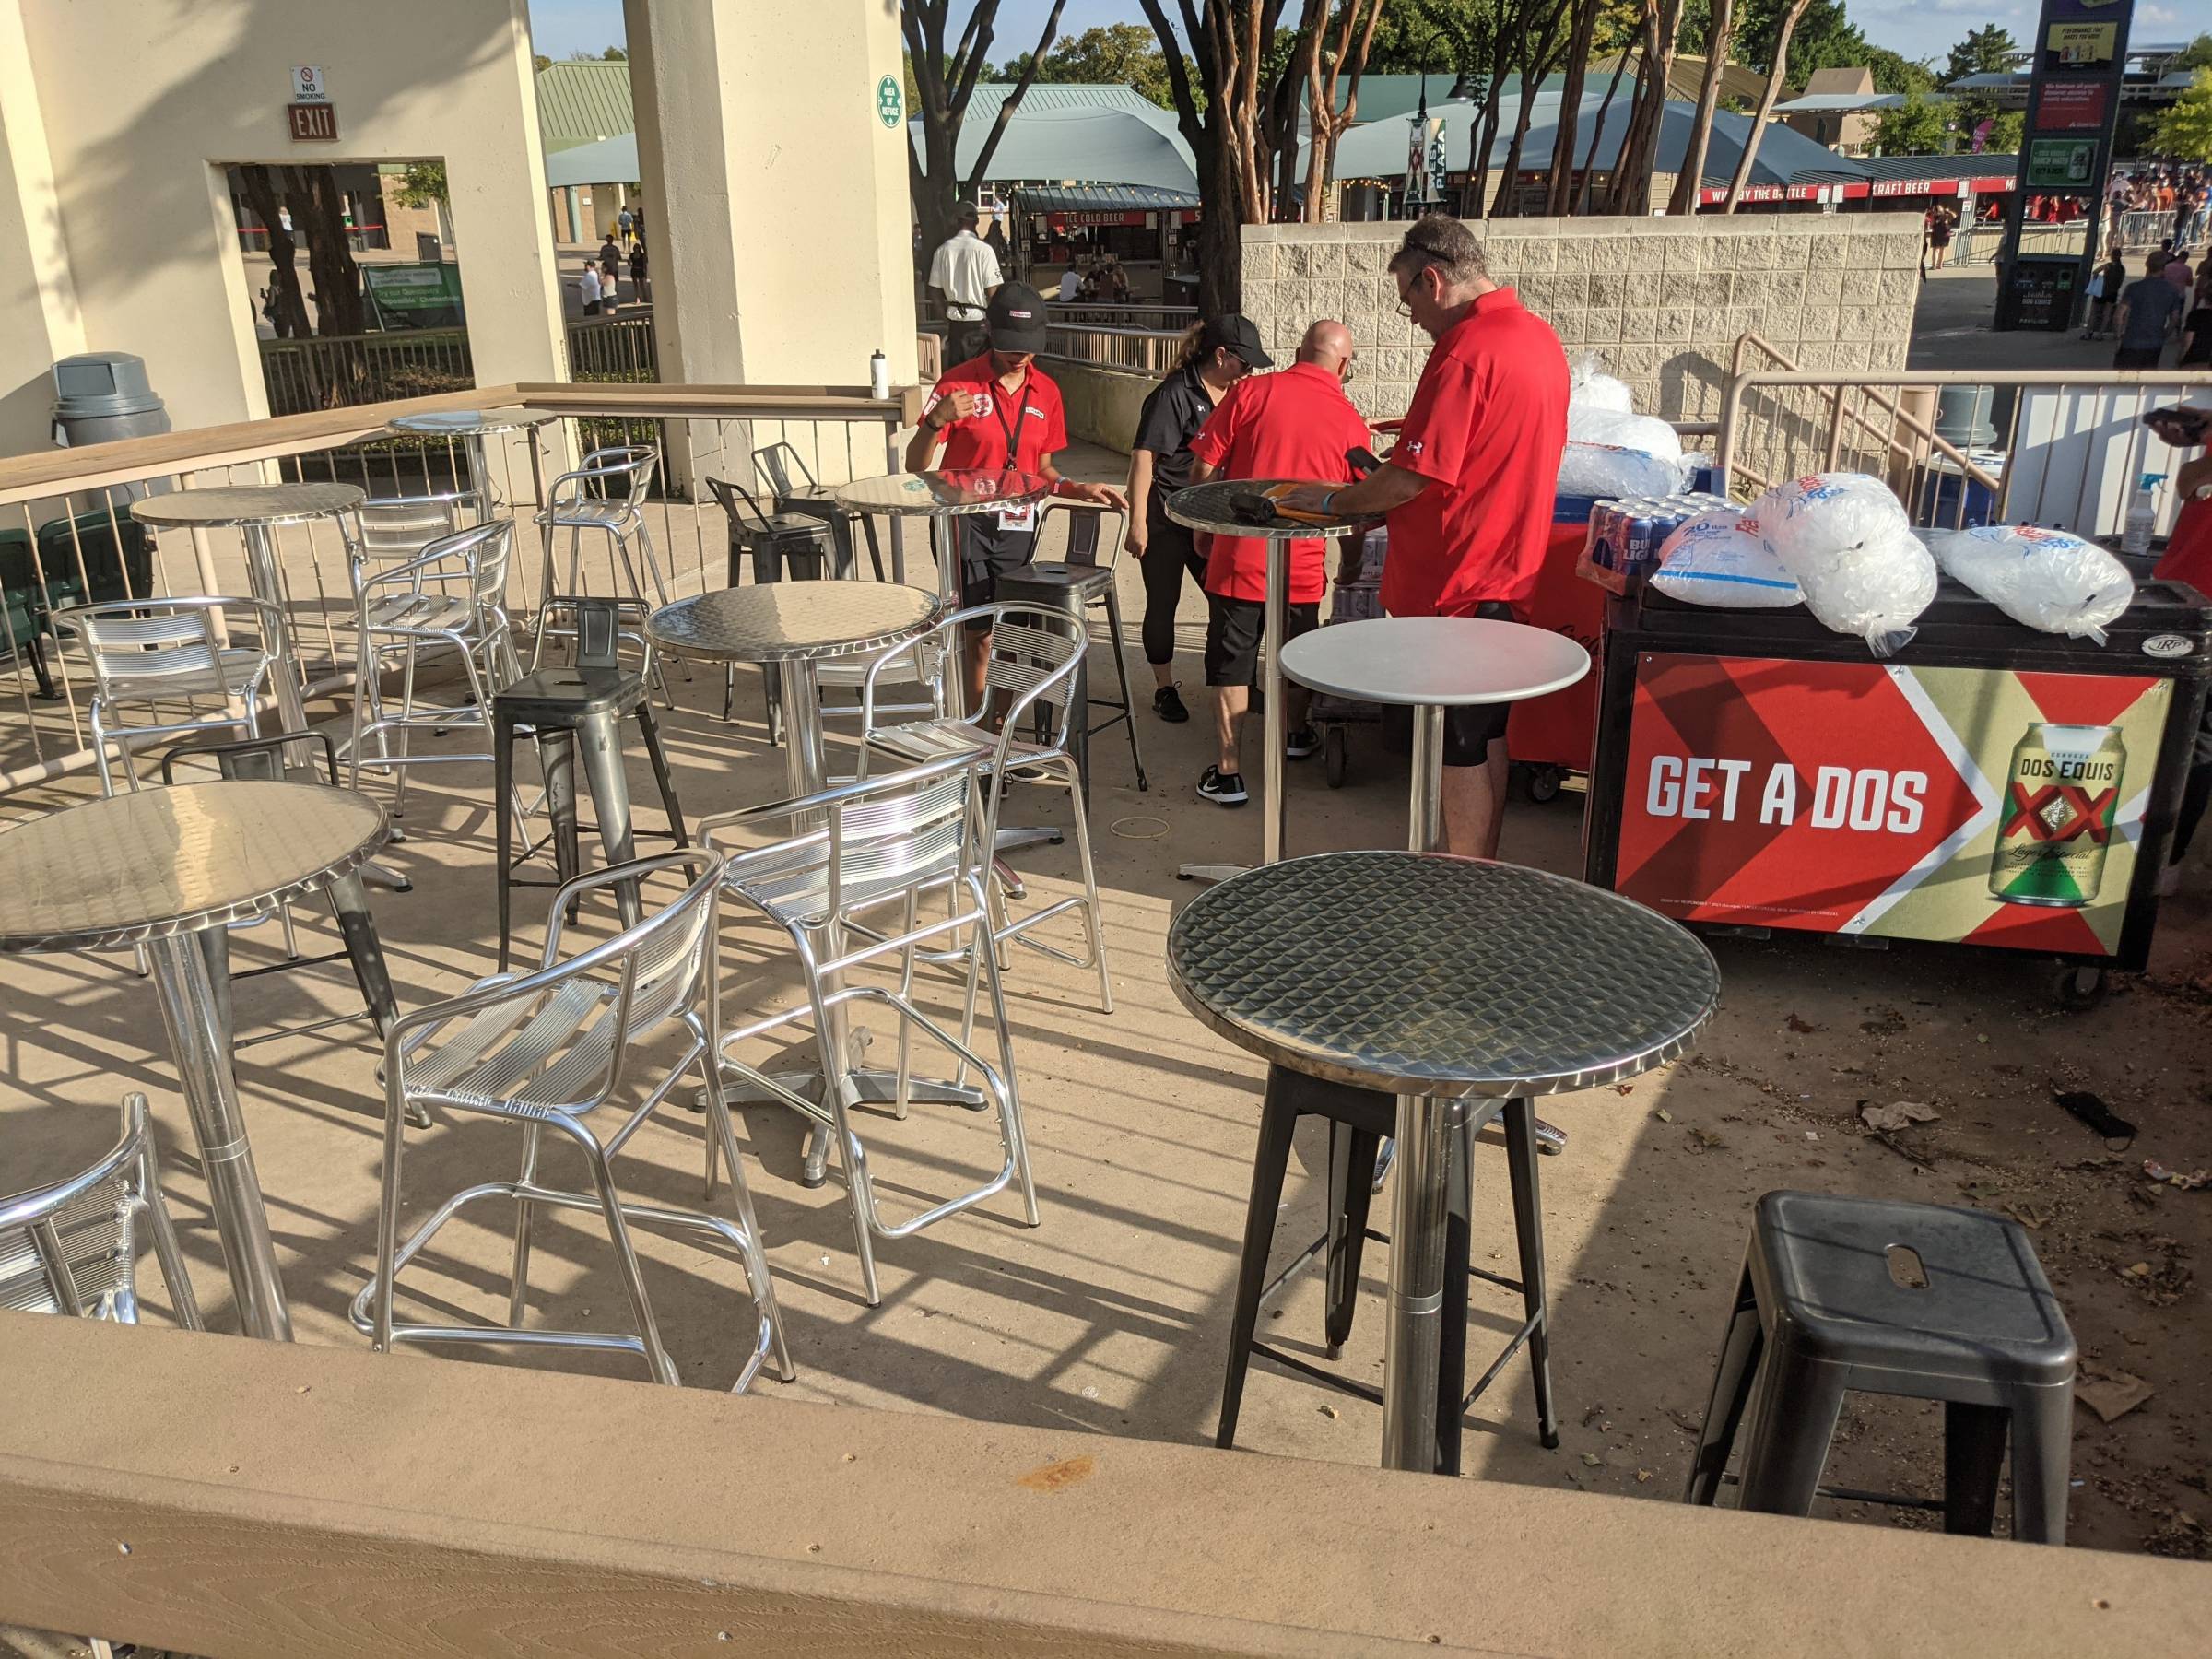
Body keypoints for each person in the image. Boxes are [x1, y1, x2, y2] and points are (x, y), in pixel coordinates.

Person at [1279, 215, 1569, 859]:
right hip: (1507, 570)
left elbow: (1410, 479)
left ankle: (1457, 882)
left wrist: (1332, 500)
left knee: (1460, 743)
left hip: (1459, 583)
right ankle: (1472, 865)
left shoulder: (1468, 350)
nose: (1407, 313)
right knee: (1486, 732)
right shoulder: (1537, 338)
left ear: (1432, 281)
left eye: (1406, 295)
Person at [906, 282, 1127, 709]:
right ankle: (981, 735)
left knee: (1009, 632)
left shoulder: (1048, 391)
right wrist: (935, 421)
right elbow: (916, 467)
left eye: (1027, 347)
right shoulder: (959, 384)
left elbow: (1041, 469)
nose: (1018, 356)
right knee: (978, 634)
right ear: (990, 331)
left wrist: (1077, 489)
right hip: (964, 525)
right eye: (1010, 344)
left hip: (1018, 524)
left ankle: (1000, 729)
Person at [1182, 321, 1367, 806]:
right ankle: (1292, 735)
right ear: (1343, 365)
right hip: (1301, 568)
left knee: (1232, 664)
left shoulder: (1250, 393)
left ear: (1300, 352)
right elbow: (1356, 506)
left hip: (1239, 555)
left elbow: (1203, 470)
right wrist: (1349, 564)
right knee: (1294, 661)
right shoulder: (1350, 420)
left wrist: (1205, 528)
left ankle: (1228, 774)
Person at [1124, 316, 1270, 725]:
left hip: (1212, 518)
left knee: (1232, 602)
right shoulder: (1174, 394)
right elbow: (1143, 458)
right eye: (1245, 363)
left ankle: (1238, 681)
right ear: (1221, 355)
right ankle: (1163, 687)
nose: (1250, 372)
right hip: (1168, 514)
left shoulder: (1238, 395)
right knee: (1163, 603)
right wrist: (1138, 522)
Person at [927, 201, 1003, 366]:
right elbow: (993, 292)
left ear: (955, 221)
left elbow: (934, 292)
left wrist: (944, 316)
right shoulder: (984, 250)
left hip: (954, 323)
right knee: (979, 375)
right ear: (976, 221)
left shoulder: (942, 251)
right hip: (979, 321)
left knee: (956, 375)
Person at [2114, 253, 2185, 369]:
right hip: (2154, 343)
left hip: (2131, 341)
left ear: (2147, 264)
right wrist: (2165, 334)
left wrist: (2119, 336)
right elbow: (2175, 318)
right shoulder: (2172, 290)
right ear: (2164, 268)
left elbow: (2119, 315)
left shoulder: (2133, 288)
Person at [2088, 246, 2127, 338]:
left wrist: (2097, 278)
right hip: (2112, 293)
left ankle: (2088, 333)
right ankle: (2100, 335)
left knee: (2094, 312)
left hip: (2102, 291)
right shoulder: (2122, 269)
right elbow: (2120, 282)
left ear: (2112, 256)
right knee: (2107, 314)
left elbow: (2095, 272)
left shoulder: (2108, 266)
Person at [598, 234, 623, 310]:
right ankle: (614, 299)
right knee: (614, 284)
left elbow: (600, 257)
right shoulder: (615, 248)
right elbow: (619, 257)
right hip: (613, 268)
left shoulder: (604, 248)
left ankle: (607, 298)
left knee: (605, 283)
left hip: (608, 268)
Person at [629, 236, 650, 305]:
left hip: (640, 270)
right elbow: (630, 264)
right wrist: (629, 262)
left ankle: (645, 297)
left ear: (639, 248)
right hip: (634, 270)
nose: (636, 249)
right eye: (635, 248)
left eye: (637, 248)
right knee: (636, 286)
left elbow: (645, 265)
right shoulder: (631, 255)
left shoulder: (642, 255)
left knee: (642, 285)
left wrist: (646, 274)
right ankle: (638, 298)